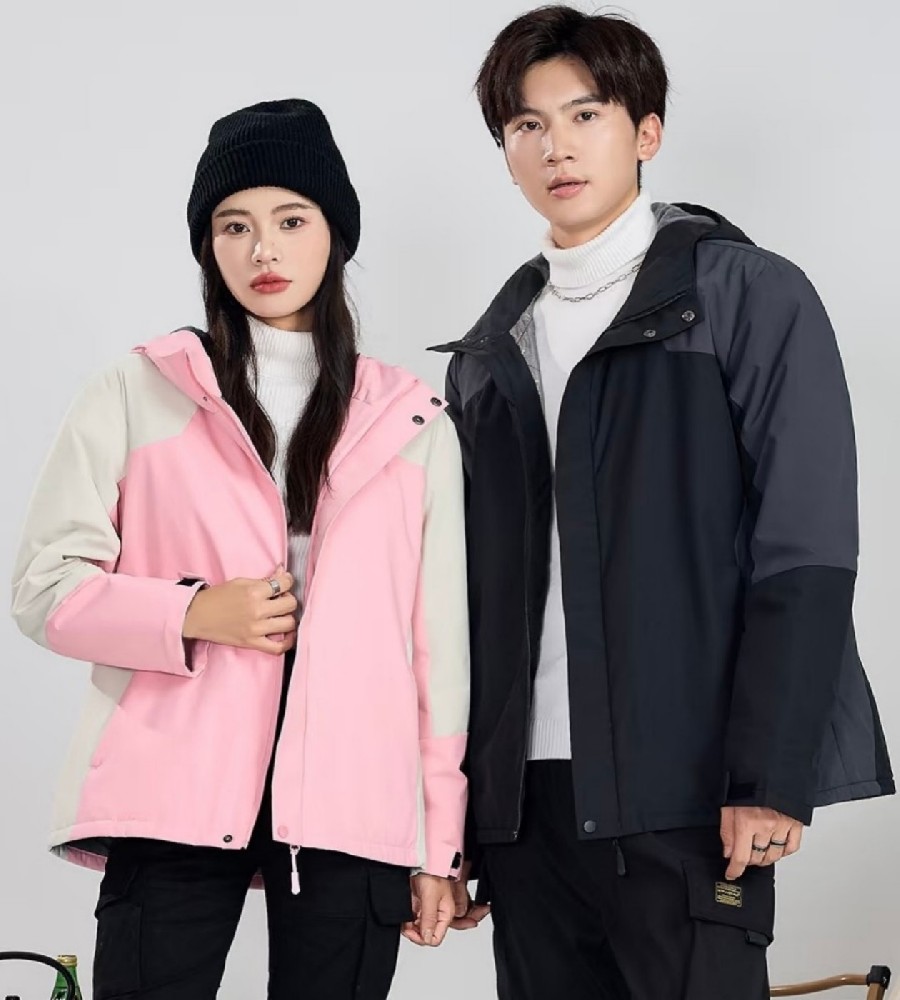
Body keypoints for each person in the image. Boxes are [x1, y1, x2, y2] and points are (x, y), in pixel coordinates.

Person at [433, 8, 893, 999]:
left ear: (646, 131)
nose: (555, 147)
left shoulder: (747, 298)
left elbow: (806, 552)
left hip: (686, 791)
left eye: (584, 114)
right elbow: (462, 599)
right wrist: (457, 813)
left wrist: (768, 776)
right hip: (527, 809)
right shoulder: (490, 354)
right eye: (525, 125)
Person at [11, 98, 469, 1000]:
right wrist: (191, 612)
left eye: (291, 221)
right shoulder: (137, 390)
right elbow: (42, 586)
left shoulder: (412, 420)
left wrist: (441, 843)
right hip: (173, 787)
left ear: (335, 235)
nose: (264, 249)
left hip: (353, 801)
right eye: (234, 225)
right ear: (208, 245)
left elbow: (439, 653)